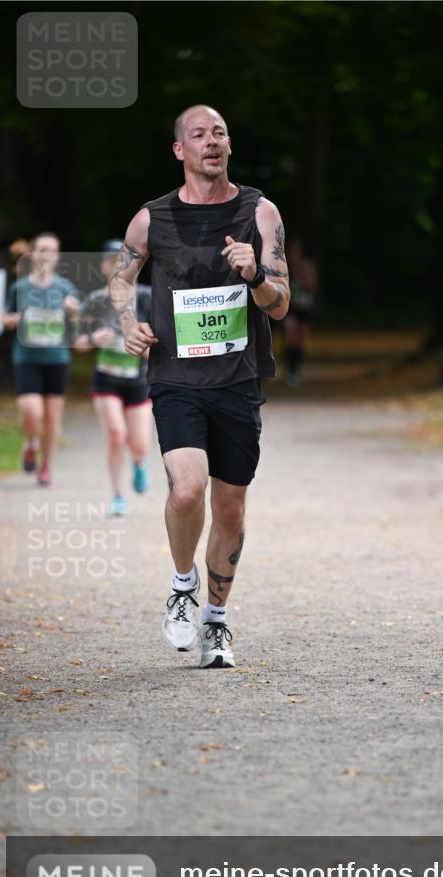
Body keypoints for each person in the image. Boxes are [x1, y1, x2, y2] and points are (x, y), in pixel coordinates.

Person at [109, 104, 289, 667]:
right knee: (187, 490)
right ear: (179, 150)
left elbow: (280, 305)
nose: (211, 141)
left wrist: (255, 274)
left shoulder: (260, 212)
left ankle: (215, 621)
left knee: (230, 507)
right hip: (177, 377)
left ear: (229, 145)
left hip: (237, 381)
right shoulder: (152, 219)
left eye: (219, 133)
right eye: (198, 135)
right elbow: (120, 278)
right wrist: (127, 324)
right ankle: (183, 585)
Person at [74, 240, 153, 516]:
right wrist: (93, 339)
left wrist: (143, 348)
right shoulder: (96, 300)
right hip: (106, 380)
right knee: (116, 435)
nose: (119, 266)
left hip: (138, 381)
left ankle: (139, 462)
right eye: (113, 261)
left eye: (124, 261)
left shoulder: (147, 297)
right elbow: (78, 343)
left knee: (140, 444)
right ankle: (118, 496)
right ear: (104, 267)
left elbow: (162, 345)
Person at [2, 232, 79, 486]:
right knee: (31, 410)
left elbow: (79, 323)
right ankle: (30, 442)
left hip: (57, 358)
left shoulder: (65, 288)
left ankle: (45, 466)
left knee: (52, 418)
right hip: (27, 357)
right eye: (42, 250)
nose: (46, 255)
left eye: (52, 250)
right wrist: (12, 320)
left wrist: (73, 311)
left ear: (58, 257)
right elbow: (5, 317)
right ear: (32, 254)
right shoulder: (20, 287)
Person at [281, 238, 318, 386]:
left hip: (304, 307)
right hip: (290, 307)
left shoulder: (307, 266)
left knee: (300, 341)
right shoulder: (284, 266)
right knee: (290, 335)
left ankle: (296, 369)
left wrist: (302, 275)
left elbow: (313, 287)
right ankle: (290, 369)